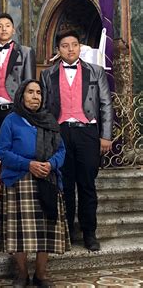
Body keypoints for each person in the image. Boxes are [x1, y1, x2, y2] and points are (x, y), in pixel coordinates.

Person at [40, 29, 113, 252]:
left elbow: (105, 104)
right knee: (66, 185)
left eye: (74, 44)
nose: (70, 49)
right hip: (60, 133)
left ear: (79, 47)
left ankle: (89, 232)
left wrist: (106, 136)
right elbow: (43, 109)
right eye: (65, 45)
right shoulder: (47, 75)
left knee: (87, 184)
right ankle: (69, 230)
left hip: (88, 132)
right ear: (58, 50)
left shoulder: (96, 71)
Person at [0, 80, 70, 287]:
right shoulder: (11, 121)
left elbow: (61, 150)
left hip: (47, 179)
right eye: (30, 92)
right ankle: (21, 274)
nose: (35, 96)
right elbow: (2, 151)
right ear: (21, 95)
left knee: (45, 230)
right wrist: (28, 164)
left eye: (38, 93)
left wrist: (50, 164)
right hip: (19, 181)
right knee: (20, 232)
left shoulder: (50, 121)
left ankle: (41, 274)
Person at [0, 13, 36, 149]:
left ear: (13, 30)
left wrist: (28, 113)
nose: (4, 29)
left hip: (15, 109)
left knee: (16, 148)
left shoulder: (25, 52)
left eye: (7, 26)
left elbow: (30, 84)